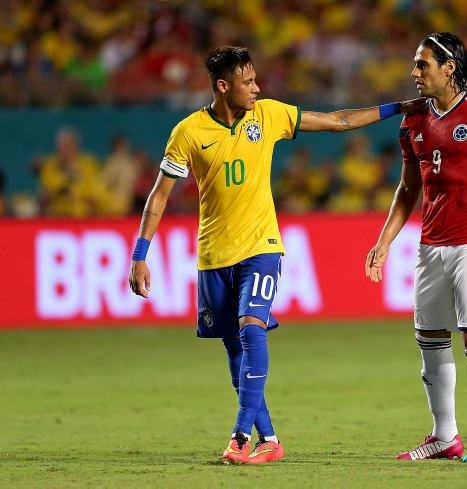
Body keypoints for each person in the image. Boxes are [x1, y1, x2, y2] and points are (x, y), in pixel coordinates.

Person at [128, 45, 423, 465]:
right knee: (235, 355)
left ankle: (238, 436)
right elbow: (159, 197)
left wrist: (400, 106)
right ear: (223, 86)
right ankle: (269, 439)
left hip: (262, 247)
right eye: (248, 82)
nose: (257, 88)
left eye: (256, 80)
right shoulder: (188, 133)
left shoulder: (268, 115)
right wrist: (140, 254)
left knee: (252, 328)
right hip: (213, 255)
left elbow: (338, 121)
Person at [365, 32, 467, 463]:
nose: (414, 72)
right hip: (430, 245)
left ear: (449, 68)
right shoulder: (413, 120)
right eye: (415, 64)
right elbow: (407, 188)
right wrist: (384, 241)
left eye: (423, 65)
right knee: (430, 340)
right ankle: (444, 437)